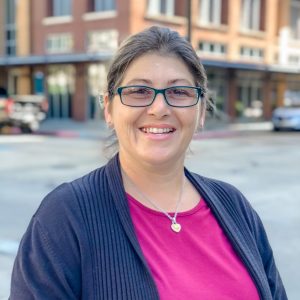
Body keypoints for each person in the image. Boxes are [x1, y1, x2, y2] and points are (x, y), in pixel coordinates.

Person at [10, 26, 287, 300]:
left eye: (179, 92)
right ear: (109, 108)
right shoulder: (65, 217)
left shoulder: (234, 206)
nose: (159, 108)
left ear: (201, 110)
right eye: (139, 91)